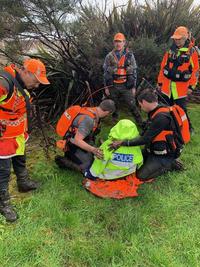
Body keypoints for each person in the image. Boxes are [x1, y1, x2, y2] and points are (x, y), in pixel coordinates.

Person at [0, 58, 50, 222]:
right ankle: (3, 203)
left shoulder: (19, 82)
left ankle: (23, 183)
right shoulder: (4, 82)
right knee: (3, 172)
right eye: (36, 81)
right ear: (26, 72)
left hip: (17, 132)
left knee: (20, 159)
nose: (36, 86)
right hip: (3, 137)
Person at [111, 89, 187, 181]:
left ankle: (170, 164)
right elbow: (147, 130)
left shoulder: (161, 117)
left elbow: (144, 139)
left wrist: (122, 142)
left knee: (141, 176)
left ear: (144, 102)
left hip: (164, 154)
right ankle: (155, 161)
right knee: (133, 164)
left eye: (140, 104)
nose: (140, 106)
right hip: (152, 150)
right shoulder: (157, 110)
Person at [157, 26, 199, 133]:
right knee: (167, 109)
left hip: (181, 89)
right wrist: (160, 83)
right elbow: (163, 67)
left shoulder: (192, 52)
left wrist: (191, 86)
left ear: (185, 38)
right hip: (167, 88)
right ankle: (170, 128)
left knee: (181, 111)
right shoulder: (170, 51)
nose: (176, 40)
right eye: (175, 38)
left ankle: (189, 129)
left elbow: (195, 71)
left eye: (179, 38)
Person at [55, 99, 116, 173]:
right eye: (109, 114)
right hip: (73, 144)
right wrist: (93, 150)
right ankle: (65, 161)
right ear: (107, 112)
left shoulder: (92, 110)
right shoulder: (89, 120)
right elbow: (77, 140)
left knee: (98, 159)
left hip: (80, 139)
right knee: (89, 167)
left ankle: (76, 156)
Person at [103, 32, 143, 127]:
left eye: (120, 41)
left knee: (132, 104)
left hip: (127, 85)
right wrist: (106, 87)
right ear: (113, 43)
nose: (118, 44)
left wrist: (133, 87)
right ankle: (114, 123)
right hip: (113, 85)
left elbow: (134, 71)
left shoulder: (129, 55)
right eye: (116, 41)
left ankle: (141, 123)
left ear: (124, 42)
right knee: (114, 104)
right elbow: (105, 72)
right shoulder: (109, 56)